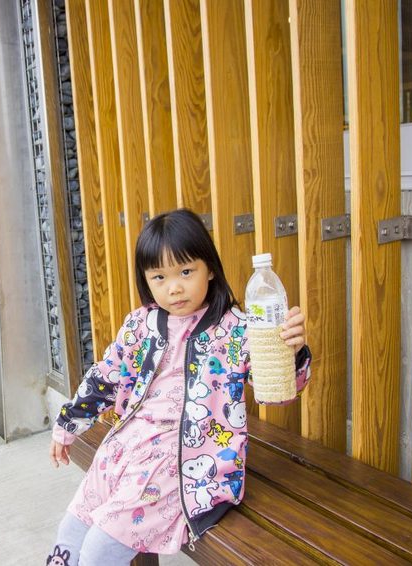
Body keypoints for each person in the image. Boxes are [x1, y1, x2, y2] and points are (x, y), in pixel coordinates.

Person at [47, 209, 311, 565]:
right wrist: (67, 425)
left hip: (187, 460)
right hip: (127, 450)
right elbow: (106, 375)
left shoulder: (236, 329)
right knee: (72, 531)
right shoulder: (141, 324)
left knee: (99, 549)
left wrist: (290, 350)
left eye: (186, 272)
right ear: (146, 280)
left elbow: (276, 390)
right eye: (159, 276)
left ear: (210, 268)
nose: (174, 287)